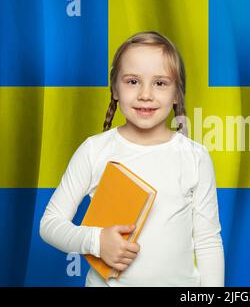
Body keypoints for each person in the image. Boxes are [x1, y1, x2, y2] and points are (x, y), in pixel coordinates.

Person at [39, 31, 225, 287]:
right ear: (115, 88)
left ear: (176, 94)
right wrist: (97, 241)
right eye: (132, 81)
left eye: (160, 83)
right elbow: (50, 224)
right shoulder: (94, 151)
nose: (145, 94)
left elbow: (208, 242)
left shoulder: (195, 157)